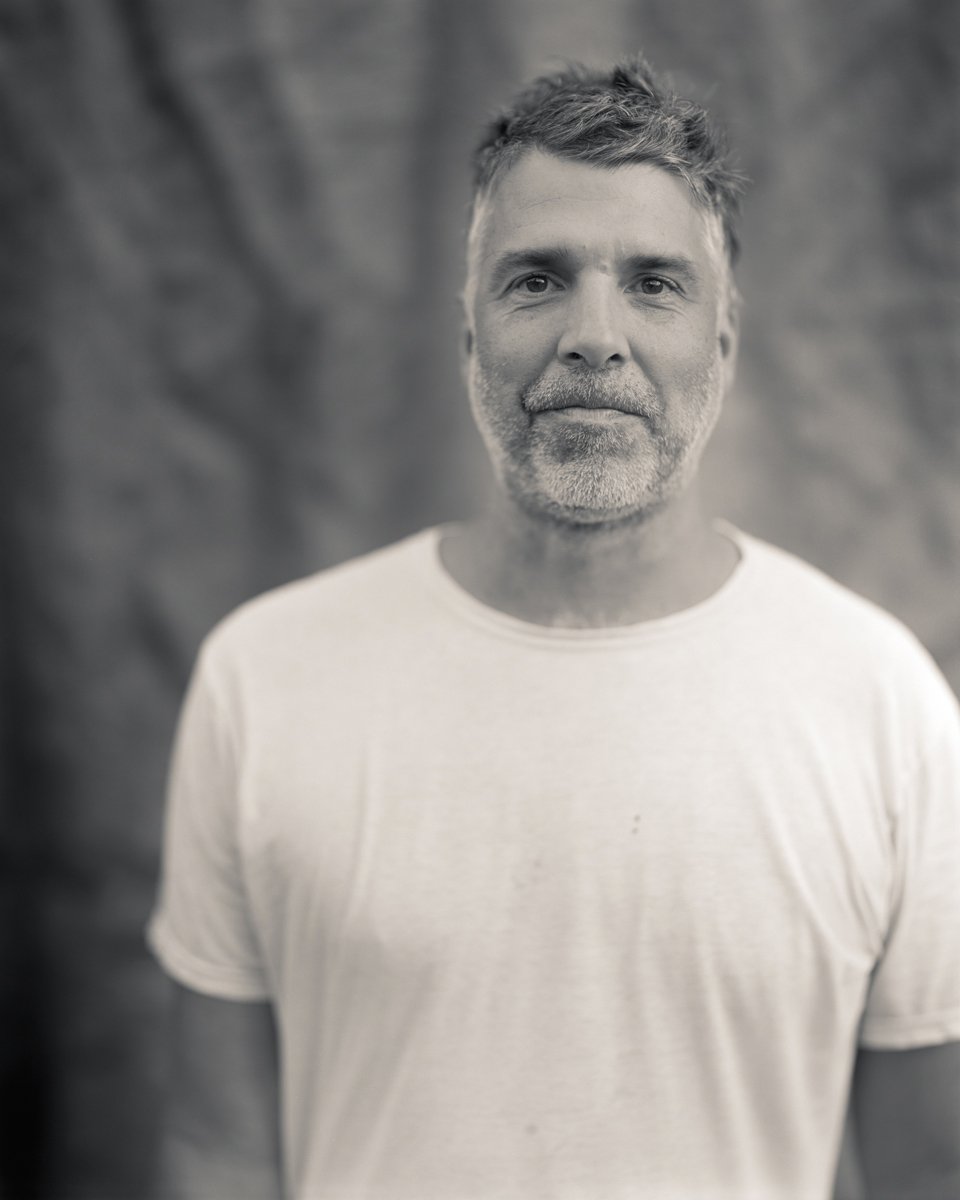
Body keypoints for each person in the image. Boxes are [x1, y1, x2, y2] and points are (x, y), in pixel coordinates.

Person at [148, 57, 960, 1200]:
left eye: (655, 284)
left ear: (724, 344)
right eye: (537, 280)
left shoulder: (884, 707)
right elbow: (216, 1151)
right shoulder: (264, 680)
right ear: (469, 336)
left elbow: (930, 1173)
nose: (594, 335)